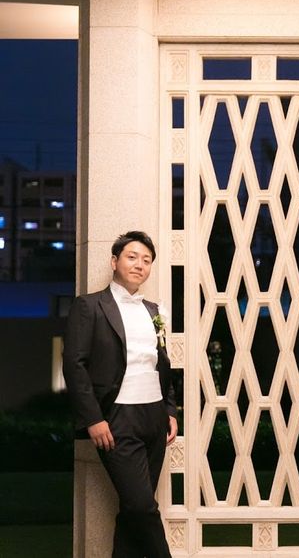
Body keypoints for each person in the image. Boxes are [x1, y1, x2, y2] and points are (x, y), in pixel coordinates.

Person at [63, 231, 177, 558]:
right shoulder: (89, 306)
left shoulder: (154, 310)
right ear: (114, 261)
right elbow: (74, 365)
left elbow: (162, 364)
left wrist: (170, 410)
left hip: (154, 417)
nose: (140, 264)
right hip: (117, 419)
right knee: (142, 506)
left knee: (132, 510)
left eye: (146, 260)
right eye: (132, 257)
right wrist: (93, 419)